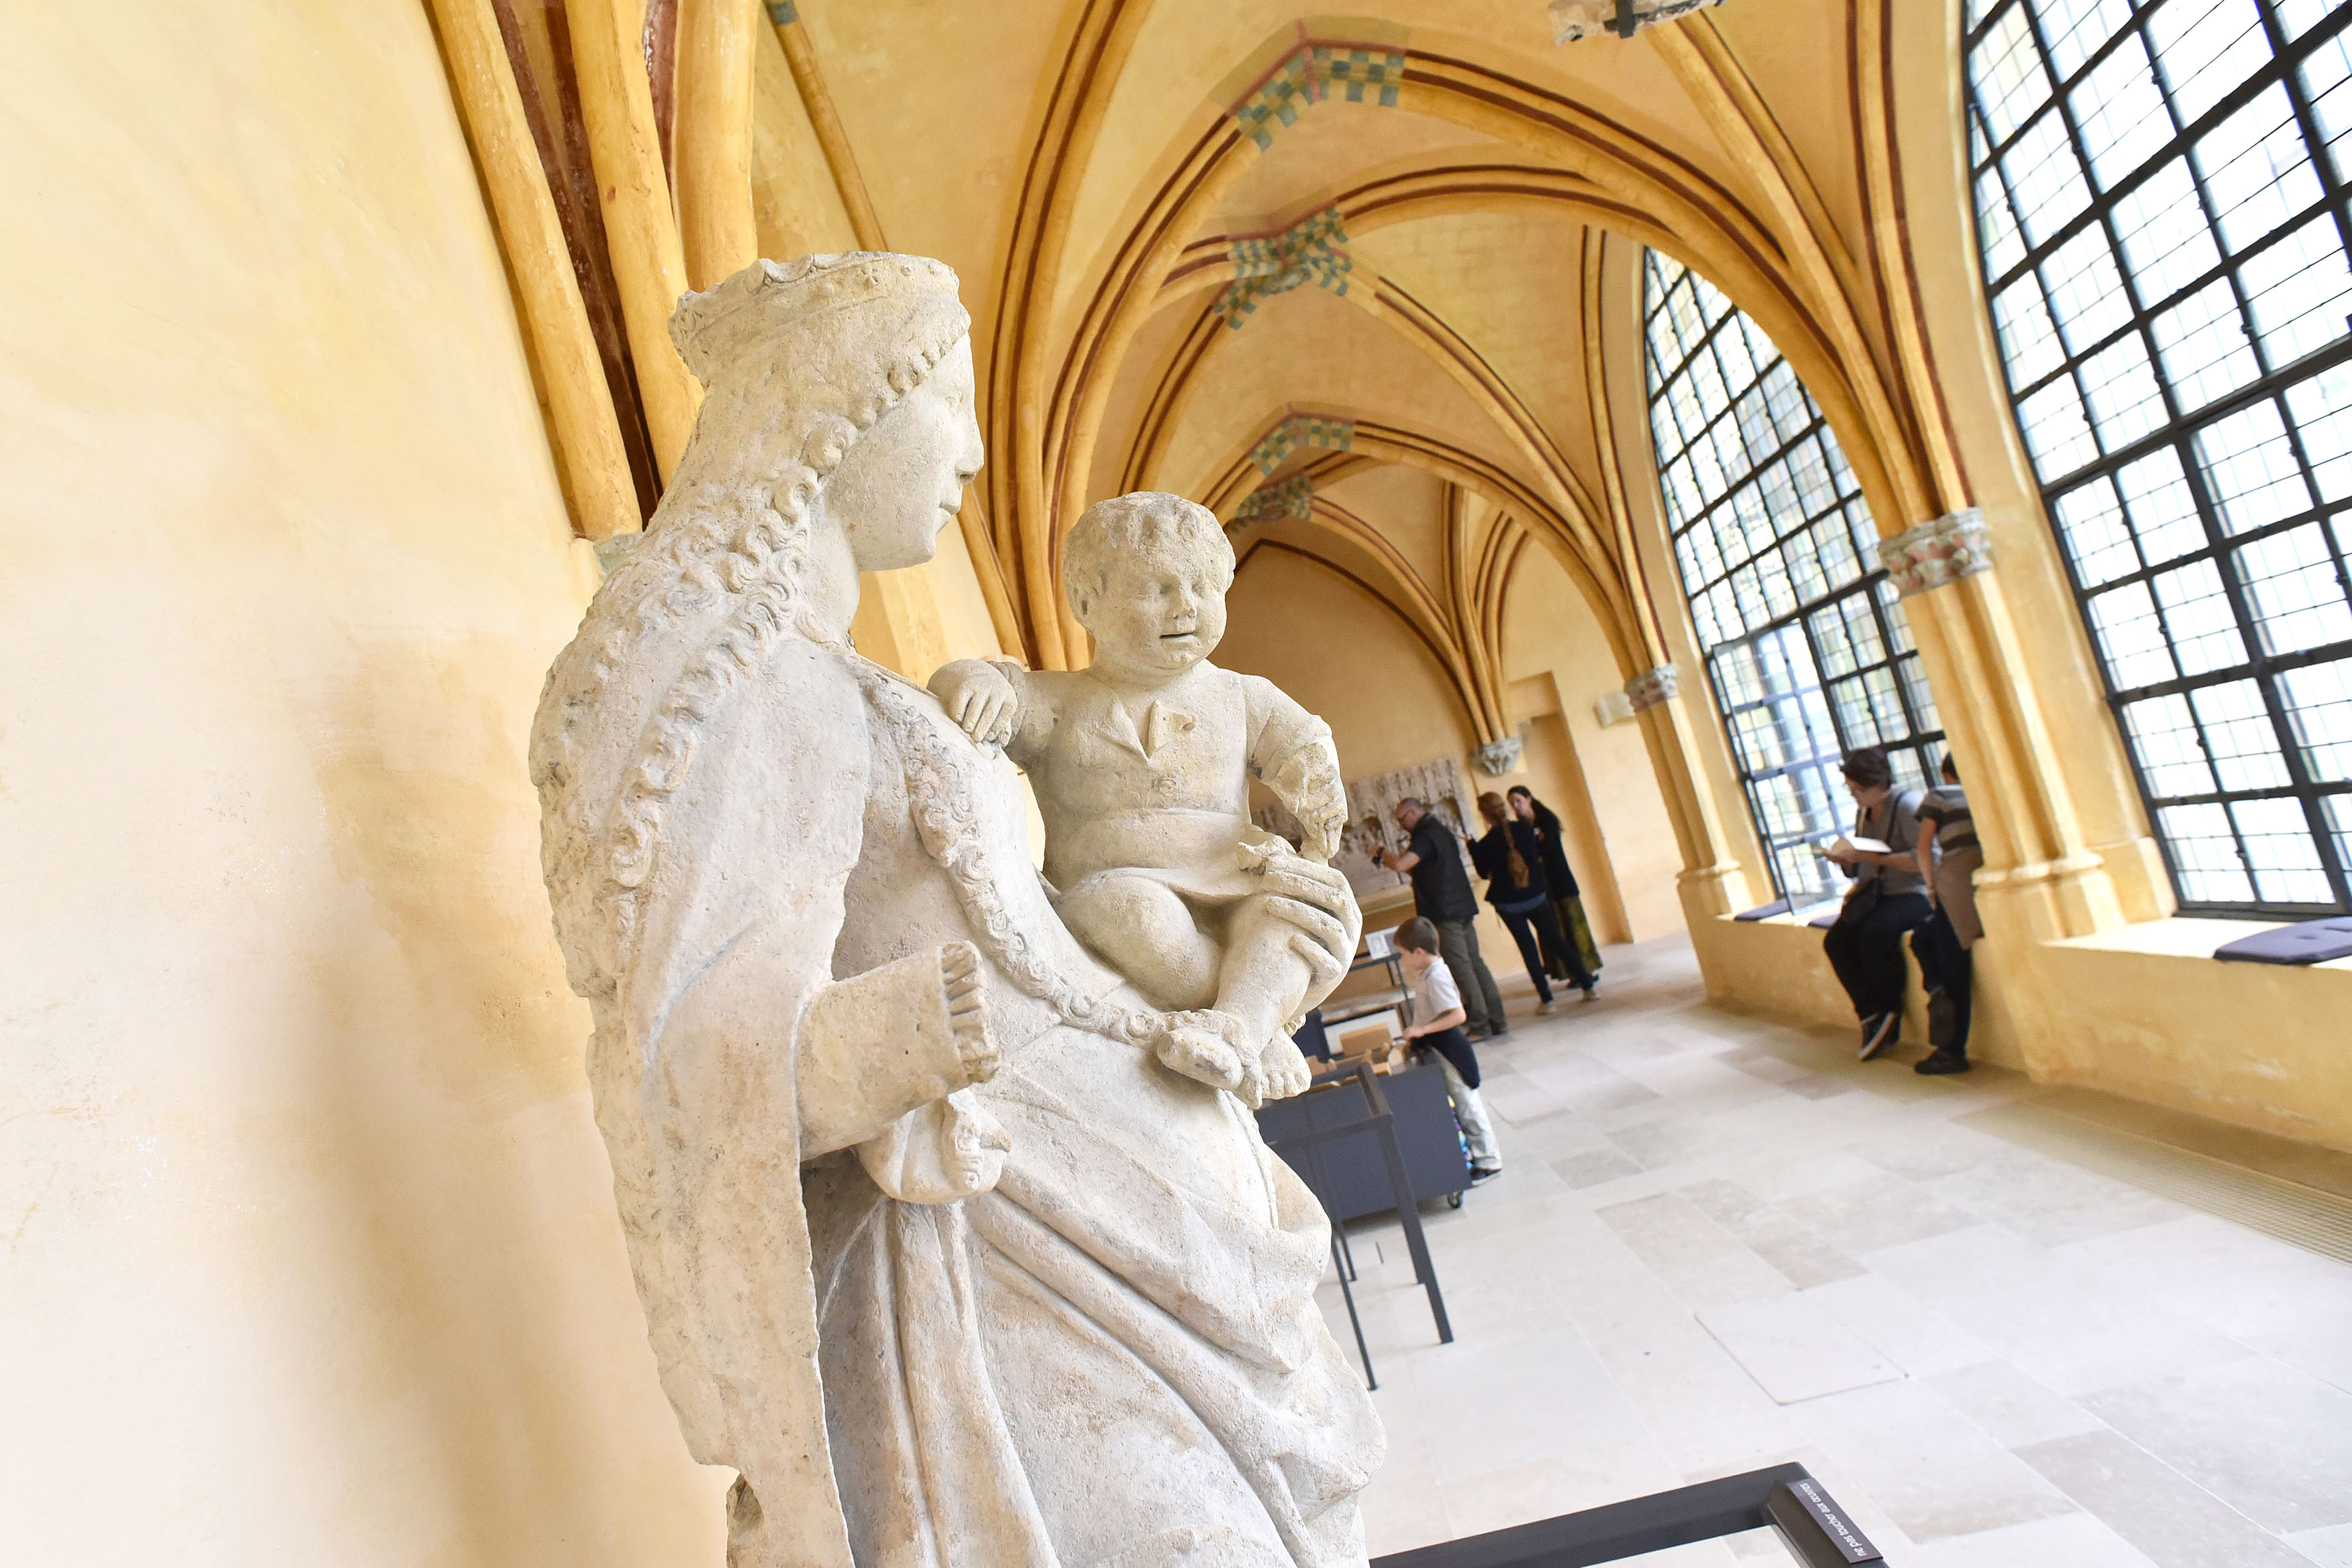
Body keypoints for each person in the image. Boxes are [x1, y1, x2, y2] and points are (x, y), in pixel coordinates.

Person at [531, 253, 1380, 1567]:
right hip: (1001, 1235)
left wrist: (1229, 972)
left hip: (1128, 1194)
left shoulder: (847, 681)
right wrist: (915, 1028)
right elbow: (697, 1065)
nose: (977, 453)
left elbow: (1026, 919)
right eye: (950, 403)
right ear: (845, 411)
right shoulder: (759, 688)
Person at [929, 491, 1347, 1104]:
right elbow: (986, 687)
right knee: (1130, 915)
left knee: (1297, 913)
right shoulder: (1061, 702)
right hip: (1116, 886)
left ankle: (1237, 1026)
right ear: (1085, 603)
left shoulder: (1239, 696)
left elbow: (1303, 743)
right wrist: (972, 682)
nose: (1186, 607)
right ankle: (1251, 1012)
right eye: (1156, 589)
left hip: (1234, 876)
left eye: (1205, 587)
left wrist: (1318, 791)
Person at [1822, 745, 1932, 1061]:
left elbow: (1924, 859)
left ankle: (1890, 1008)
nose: (1854, 795)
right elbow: (1863, 860)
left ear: (1879, 782)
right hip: (1877, 894)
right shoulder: (1865, 812)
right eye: (1850, 789)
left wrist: (1868, 857)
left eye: (1859, 789)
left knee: (1876, 934)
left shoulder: (1907, 805)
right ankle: (1869, 1012)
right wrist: (1846, 861)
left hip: (1912, 893)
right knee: (1837, 940)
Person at [1373, 796, 1510, 1040]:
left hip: (1446, 913)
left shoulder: (1426, 835)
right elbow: (1427, 868)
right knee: (1475, 963)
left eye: (1402, 819)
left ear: (1414, 813)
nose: (1401, 825)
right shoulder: (1439, 831)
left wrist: (1382, 853)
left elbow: (1403, 864)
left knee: (1462, 969)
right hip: (1462, 907)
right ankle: (1497, 1020)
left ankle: (1480, 1024)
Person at [1393, 915, 1501, 1180]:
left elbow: (1457, 1016)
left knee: (1467, 1103)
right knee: (1460, 1103)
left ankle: (1489, 1160)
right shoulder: (1427, 974)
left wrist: (1422, 1030)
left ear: (1418, 953)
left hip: (1450, 1048)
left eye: (1403, 955)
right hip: (1439, 1046)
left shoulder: (1436, 976)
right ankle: (1475, 1155)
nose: (1401, 961)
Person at [1472, 791, 1595, 1008]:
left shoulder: (1485, 843)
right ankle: (1587, 985)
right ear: (1505, 808)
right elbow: (1536, 855)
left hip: (1507, 903)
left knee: (1527, 948)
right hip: (1536, 895)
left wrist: (1472, 847)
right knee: (1556, 940)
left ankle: (1547, 1000)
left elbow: (1484, 873)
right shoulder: (1525, 829)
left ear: (1484, 816)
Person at [1910, 752, 1982, 1074]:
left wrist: (1931, 889)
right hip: (1986, 879)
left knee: (1954, 965)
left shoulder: (1941, 795)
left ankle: (1952, 1050)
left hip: (1956, 883)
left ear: (1946, 773)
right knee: (1923, 936)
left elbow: (1924, 848)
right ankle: (1937, 987)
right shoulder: (1984, 791)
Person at [1508, 784, 1605, 983]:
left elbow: (1544, 848)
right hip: (1543, 886)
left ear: (1529, 799)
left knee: (1574, 928)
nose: (1516, 806)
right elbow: (1531, 853)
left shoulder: (1547, 819)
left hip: (1561, 880)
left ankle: (1588, 971)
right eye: (1512, 804)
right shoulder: (1522, 828)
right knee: (1557, 930)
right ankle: (1570, 973)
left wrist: (1536, 848)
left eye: (1518, 800)